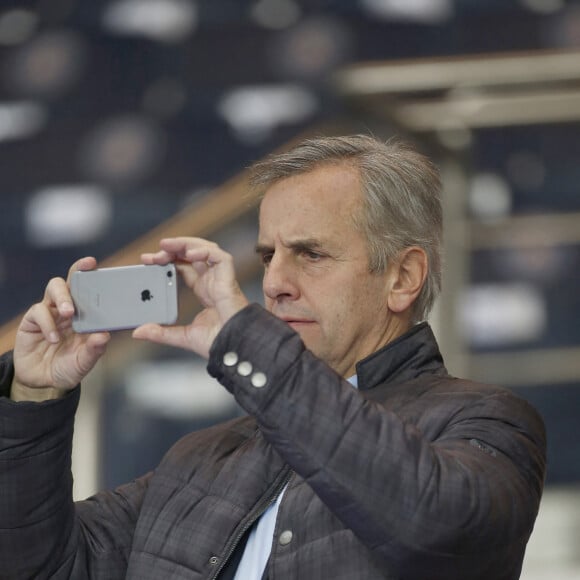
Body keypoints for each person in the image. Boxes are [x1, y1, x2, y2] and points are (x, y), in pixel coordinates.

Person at [0, 135, 546, 580]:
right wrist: (33, 399)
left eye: (310, 254)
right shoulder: (200, 456)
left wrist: (246, 344)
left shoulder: (487, 419)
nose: (275, 282)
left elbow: (438, 525)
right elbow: (41, 568)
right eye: (266, 257)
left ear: (402, 278)